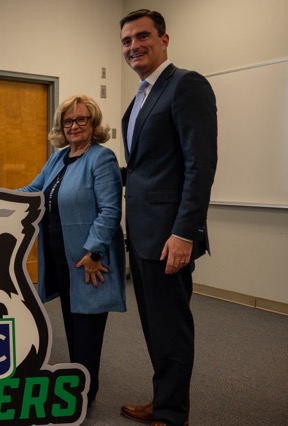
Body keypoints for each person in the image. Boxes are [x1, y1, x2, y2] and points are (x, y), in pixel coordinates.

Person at [0, 94, 126, 406]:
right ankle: (77, 387)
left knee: (87, 331)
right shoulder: (58, 158)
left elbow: (110, 211)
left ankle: (85, 395)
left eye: (82, 119)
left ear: (93, 123)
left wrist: (93, 252)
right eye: (69, 121)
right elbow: (31, 192)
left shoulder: (101, 158)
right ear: (61, 127)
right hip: (59, 257)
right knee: (72, 324)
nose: (75, 126)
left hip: (87, 261)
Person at [118, 9, 218, 426]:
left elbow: (201, 164)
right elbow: (144, 169)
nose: (133, 46)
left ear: (164, 39)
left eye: (142, 37)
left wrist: (184, 233)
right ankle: (164, 401)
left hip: (168, 238)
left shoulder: (185, 85)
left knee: (171, 328)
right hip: (141, 234)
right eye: (126, 41)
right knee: (156, 327)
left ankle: (173, 414)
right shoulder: (139, 97)